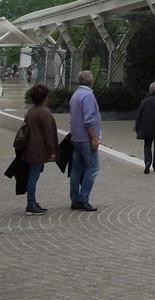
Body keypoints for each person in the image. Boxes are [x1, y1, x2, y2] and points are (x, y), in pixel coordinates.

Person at [21, 83, 59, 215]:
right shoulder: (44, 113)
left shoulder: (30, 111)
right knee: (34, 176)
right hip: (39, 150)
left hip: (29, 148)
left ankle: (31, 202)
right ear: (44, 97)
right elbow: (48, 134)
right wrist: (52, 151)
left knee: (33, 174)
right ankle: (31, 204)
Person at [69, 69, 101, 211]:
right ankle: (83, 198)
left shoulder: (75, 95)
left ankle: (74, 199)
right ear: (90, 81)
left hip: (75, 137)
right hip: (86, 139)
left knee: (76, 169)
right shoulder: (88, 96)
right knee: (93, 167)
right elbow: (89, 120)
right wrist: (94, 138)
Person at [134, 82, 155, 173]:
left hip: (146, 127)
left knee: (147, 145)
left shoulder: (144, 102)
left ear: (150, 90)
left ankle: (148, 162)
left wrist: (137, 126)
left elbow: (138, 115)